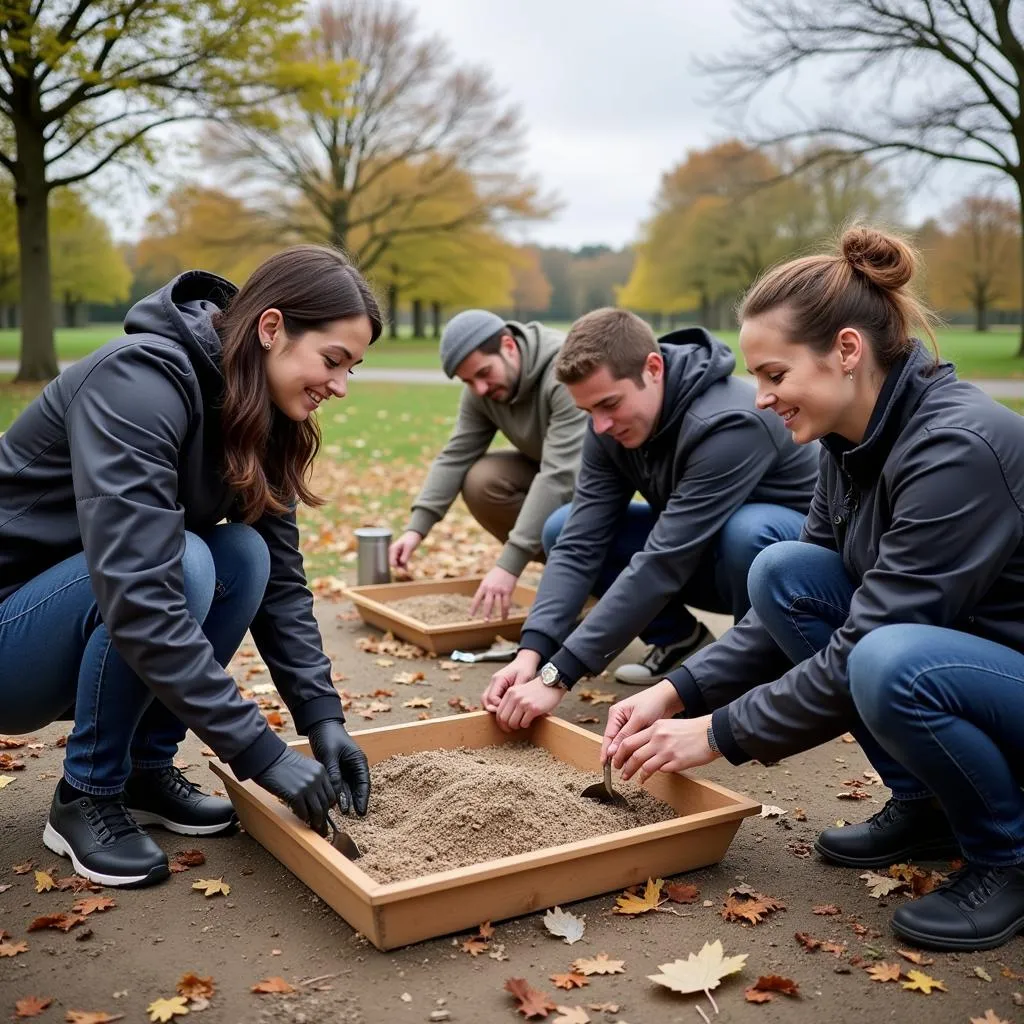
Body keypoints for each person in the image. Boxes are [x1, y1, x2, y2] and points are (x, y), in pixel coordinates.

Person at [602, 226, 1024, 952]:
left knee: (889, 663)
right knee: (783, 573)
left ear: (848, 351)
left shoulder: (957, 448)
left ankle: (1006, 857)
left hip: (994, 672)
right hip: (962, 663)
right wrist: (680, 693)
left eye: (774, 374)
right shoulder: (848, 442)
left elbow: (871, 639)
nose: (762, 398)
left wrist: (715, 735)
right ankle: (927, 805)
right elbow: (790, 612)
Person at [0, 245, 378, 888]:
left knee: (246, 555)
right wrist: (261, 754)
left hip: (89, 613)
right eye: (333, 360)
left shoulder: (263, 409)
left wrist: (323, 720)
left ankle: (145, 767)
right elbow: (140, 590)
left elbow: (283, 587)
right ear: (271, 328)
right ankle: (86, 793)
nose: (340, 386)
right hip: (13, 635)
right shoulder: (136, 382)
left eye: (353, 368)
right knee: (186, 561)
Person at [482, 307, 819, 726]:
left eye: (609, 404)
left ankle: (761, 676)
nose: (600, 425)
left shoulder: (730, 422)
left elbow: (663, 561)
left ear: (653, 368)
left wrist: (558, 676)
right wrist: (532, 653)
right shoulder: (607, 423)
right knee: (562, 526)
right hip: (701, 552)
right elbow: (580, 541)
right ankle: (680, 642)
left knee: (747, 530)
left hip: (788, 571)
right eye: (589, 411)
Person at [389, 310, 587, 620]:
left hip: (594, 482)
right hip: (547, 470)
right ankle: (570, 573)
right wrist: (417, 529)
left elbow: (559, 477)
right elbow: (457, 454)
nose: (479, 388)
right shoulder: (481, 392)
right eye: (468, 381)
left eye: (483, 373)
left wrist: (508, 565)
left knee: (558, 507)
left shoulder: (562, 372)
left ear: (509, 346)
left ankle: (591, 573)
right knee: (483, 480)